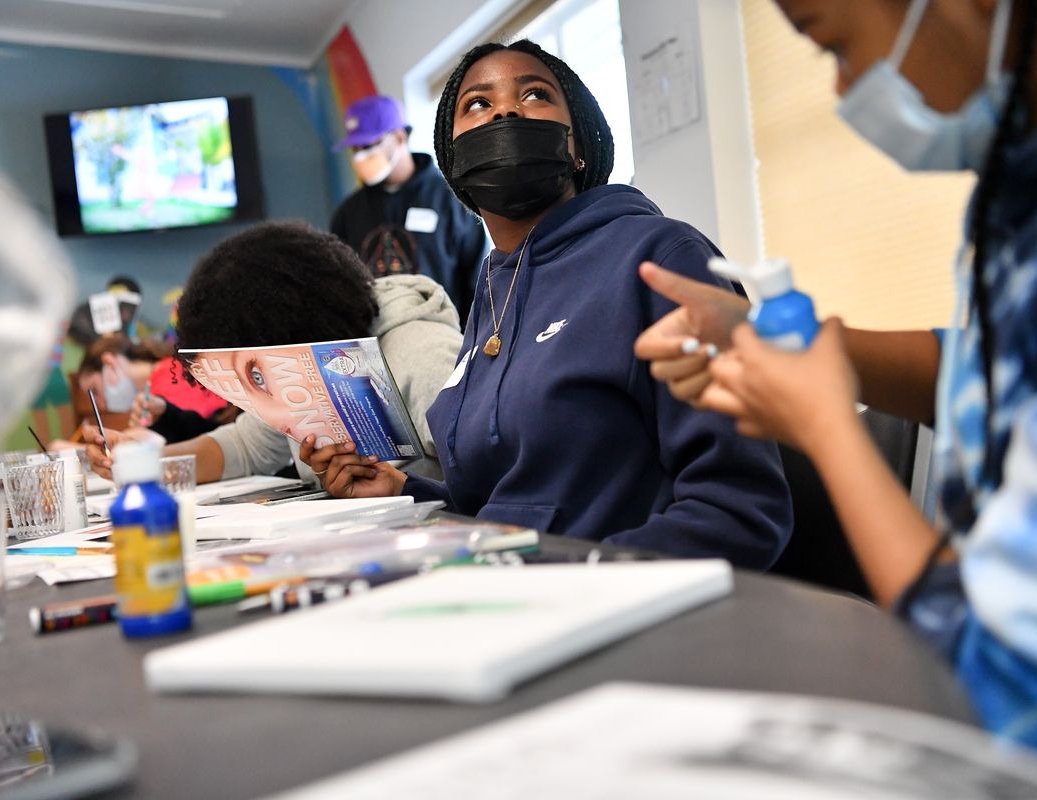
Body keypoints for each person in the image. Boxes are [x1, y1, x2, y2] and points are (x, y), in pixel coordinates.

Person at [636, 0, 1037, 782]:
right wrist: (782, 342)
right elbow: (1014, 365)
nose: (840, 89)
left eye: (832, 43)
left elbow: (1019, 677)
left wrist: (827, 427)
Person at [302, 41, 792, 567]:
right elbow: (497, 507)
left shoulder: (660, 257)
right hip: (509, 596)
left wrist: (571, 583)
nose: (506, 111)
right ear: (455, 162)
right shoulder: (494, 292)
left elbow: (740, 509)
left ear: (577, 145)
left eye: (535, 94)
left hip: (623, 613)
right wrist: (405, 492)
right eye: (477, 104)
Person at [85, 221, 462, 485]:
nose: (259, 392)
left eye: (256, 374)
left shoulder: (424, 357)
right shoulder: (293, 371)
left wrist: (402, 487)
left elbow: (497, 490)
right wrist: (140, 463)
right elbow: (244, 446)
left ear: (291, 329)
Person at [330, 95, 487, 325]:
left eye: (369, 145)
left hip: (446, 341)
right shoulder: (348, 214)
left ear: (400, 137)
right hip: (376, 347)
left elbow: (478, 280)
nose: (361, 156)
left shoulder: (452, 198)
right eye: (355, 149)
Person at [78, 333, 231, 442]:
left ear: (110, 363)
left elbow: (195, 436)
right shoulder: (159, 380)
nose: (101, 404)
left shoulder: (170, 376)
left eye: (95, 390)